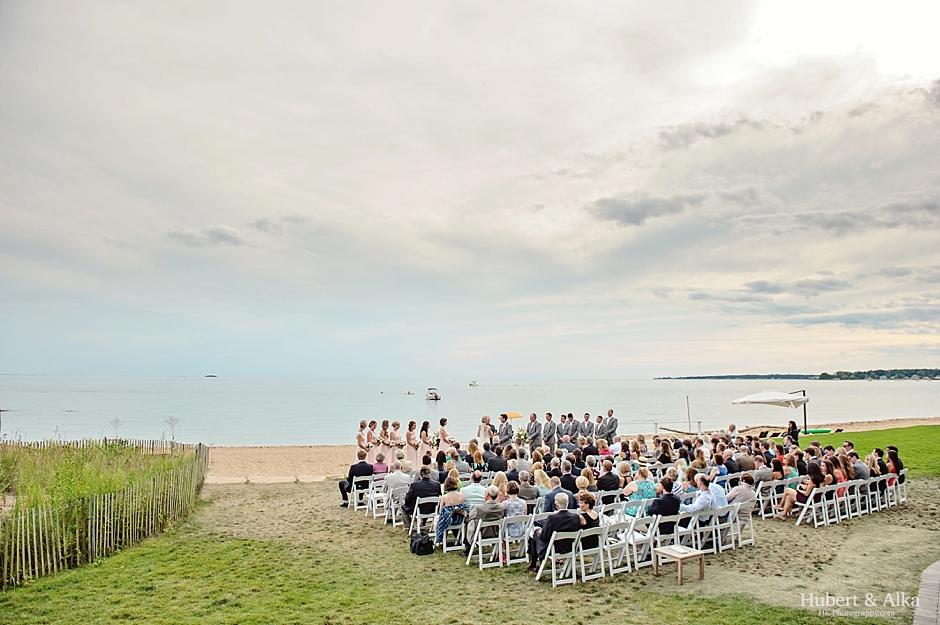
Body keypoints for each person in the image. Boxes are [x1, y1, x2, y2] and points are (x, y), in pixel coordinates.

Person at [527, 492, 581, 572]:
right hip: (569, 546)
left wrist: (540, 531)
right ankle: (533, 564)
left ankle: (533, 564)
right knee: (535, 536)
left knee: (535, 535)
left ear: (556, 504)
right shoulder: (576, 517)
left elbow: (543, 537)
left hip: (554, 547)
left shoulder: (552, 518)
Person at [464, 486, 504, 554]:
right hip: (495, 534)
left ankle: (468, 547)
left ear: (487, 494)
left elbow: (470, 517)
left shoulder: (478, 508)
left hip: (481, 534)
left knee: (469, 521)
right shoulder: (501, 507)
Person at [436, 476, 470, 544]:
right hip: (459, 520)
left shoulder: (444, 497)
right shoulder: (460, 495)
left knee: (437, 519)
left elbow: (440, 511)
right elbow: (462, 509)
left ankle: (439, 539)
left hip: (448, 521)